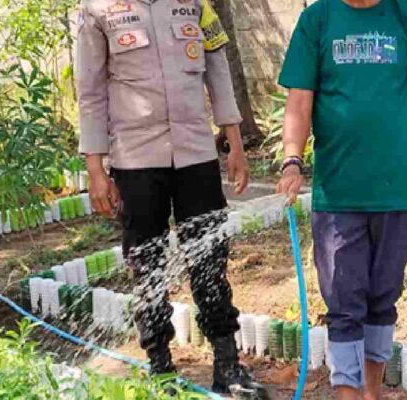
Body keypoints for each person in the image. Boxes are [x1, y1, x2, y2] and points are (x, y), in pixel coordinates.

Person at [75, 0, 267, 396]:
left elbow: (217, 71)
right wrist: (95, 167)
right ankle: (160, 370)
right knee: (147, 265)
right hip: (135, 159)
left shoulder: (195, 4)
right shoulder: (97, 10)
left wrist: (235, 143)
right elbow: (90, 91)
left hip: (197, 153)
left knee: (210, 261)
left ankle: (227, 366)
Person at [275, 0, 407, 398]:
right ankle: (347, 393)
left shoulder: (406, 15)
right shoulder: (318, 19)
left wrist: (389, 131)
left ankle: (372, 391)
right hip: (339, 190)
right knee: (344, 303)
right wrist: (292, 161)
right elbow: (299, 101)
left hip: (396, 186)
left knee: (384, 297)